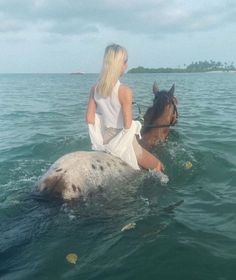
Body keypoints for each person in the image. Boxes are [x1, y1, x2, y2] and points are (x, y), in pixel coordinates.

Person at [86, 43, 163, 172]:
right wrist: (136, 126)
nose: (126, 65)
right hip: (123, 140)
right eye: (125, 61)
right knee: (158, 166)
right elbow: (127, 125)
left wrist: (99, 142)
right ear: (118, 65)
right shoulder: (125, 91)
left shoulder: (95, 89)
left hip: (104, 139)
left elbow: (89, 118)